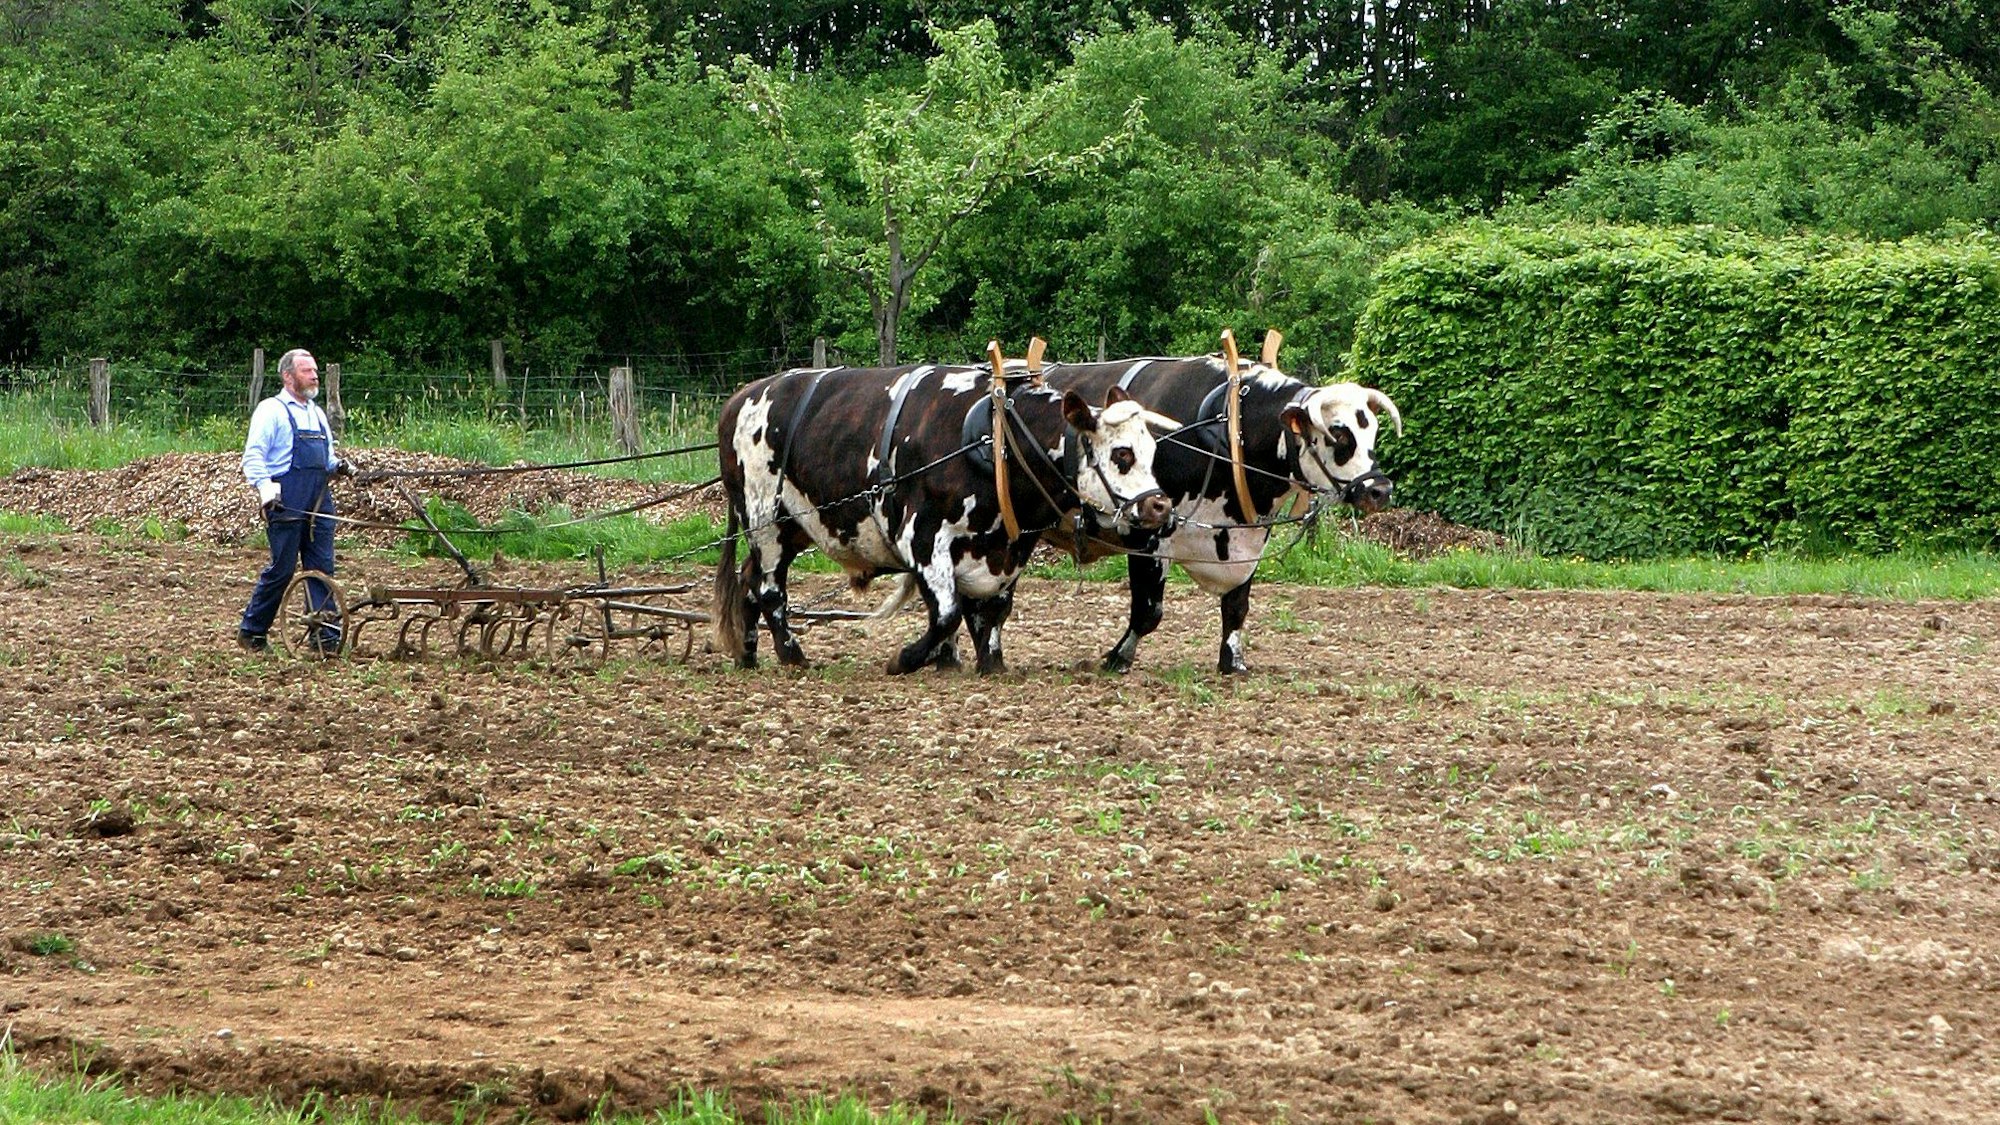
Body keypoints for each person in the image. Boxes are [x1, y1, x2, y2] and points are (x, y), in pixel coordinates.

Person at [237, 348, 351, 653]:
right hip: (286, 500)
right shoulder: (270, 410)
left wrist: (339, 466)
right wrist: (265, 490)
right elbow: (253, 457)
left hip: (319, 501)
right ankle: (253, 632)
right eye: (307, 371)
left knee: (322, 568)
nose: (315, 376)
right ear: (288, 377)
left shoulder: (316, 413)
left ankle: (324, 636)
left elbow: (325, 458)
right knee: (283, 569)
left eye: (315, 370)